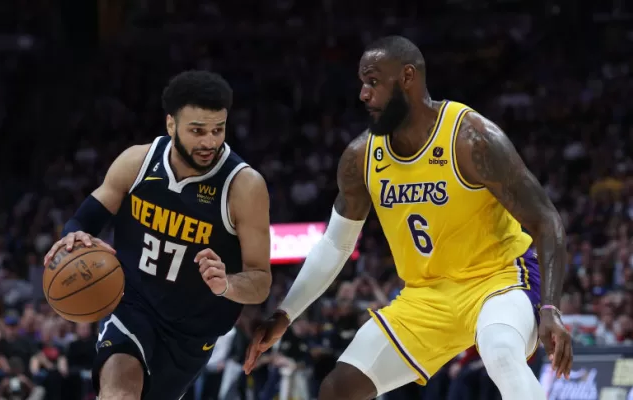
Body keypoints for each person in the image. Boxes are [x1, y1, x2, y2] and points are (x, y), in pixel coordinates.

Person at [244, 36, 573, 400]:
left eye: (372, 81)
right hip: (426, 296)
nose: (363, 95)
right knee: (338, 388)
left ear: (407, 78)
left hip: (499, 280)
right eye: (361, 83)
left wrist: (550, 308)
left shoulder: (471, 138)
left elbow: (547, 220)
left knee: (501, 353)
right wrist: (285, 314)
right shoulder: (361, 157)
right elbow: (336, 244)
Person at [43, 70, 272, 400]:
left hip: (193, 333)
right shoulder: (137, 162)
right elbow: (83, 220)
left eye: (218, 129)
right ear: (171, 125)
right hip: (132, 305)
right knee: (119, 393)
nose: (210, 141)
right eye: (197, 130)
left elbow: (261, 281)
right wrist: (71, 237)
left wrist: (228, 285)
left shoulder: (244, 186)